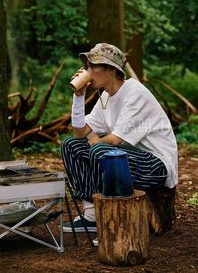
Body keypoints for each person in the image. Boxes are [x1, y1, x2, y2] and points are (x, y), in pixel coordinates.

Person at [61, 42, 178, 235]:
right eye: (87, 66)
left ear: (111, 70)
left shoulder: (134, 92)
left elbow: (115, 140)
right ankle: (92, 216)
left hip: (156, 167)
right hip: (130, 160)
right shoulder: (106, 97)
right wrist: (79, 97)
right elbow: (79, 133)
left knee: (101, 151)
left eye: (93, 66)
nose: (87, 71)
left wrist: (94, 142)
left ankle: (113, 222)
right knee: (70, 145)